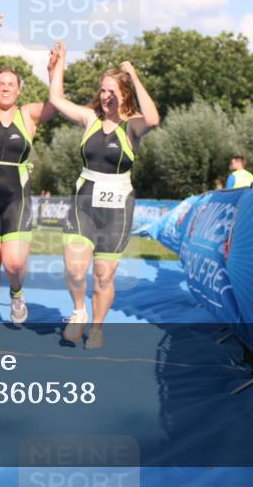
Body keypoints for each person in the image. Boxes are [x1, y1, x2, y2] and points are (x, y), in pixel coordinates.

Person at [48, 42, 159, 349]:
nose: (105, 96)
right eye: (102, 90)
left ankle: (96, 329)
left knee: (103, 275)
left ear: (124, 93)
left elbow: (153, 119)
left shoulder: (132, 126)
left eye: (112, 90)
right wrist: (60, 65)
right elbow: (56, 99)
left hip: (117, 207)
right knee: (73, 268)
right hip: (84, 200)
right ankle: (79, 312)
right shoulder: (90, 119)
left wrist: (134, 76)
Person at [0, 56, 57, 332]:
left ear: (19, 90)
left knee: (14, 262)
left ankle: (16, 293)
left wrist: (54, 73)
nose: (5, 88)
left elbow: (55, 105)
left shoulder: (27, 115)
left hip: (15, 198)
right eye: (0, 84)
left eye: (11, 84)